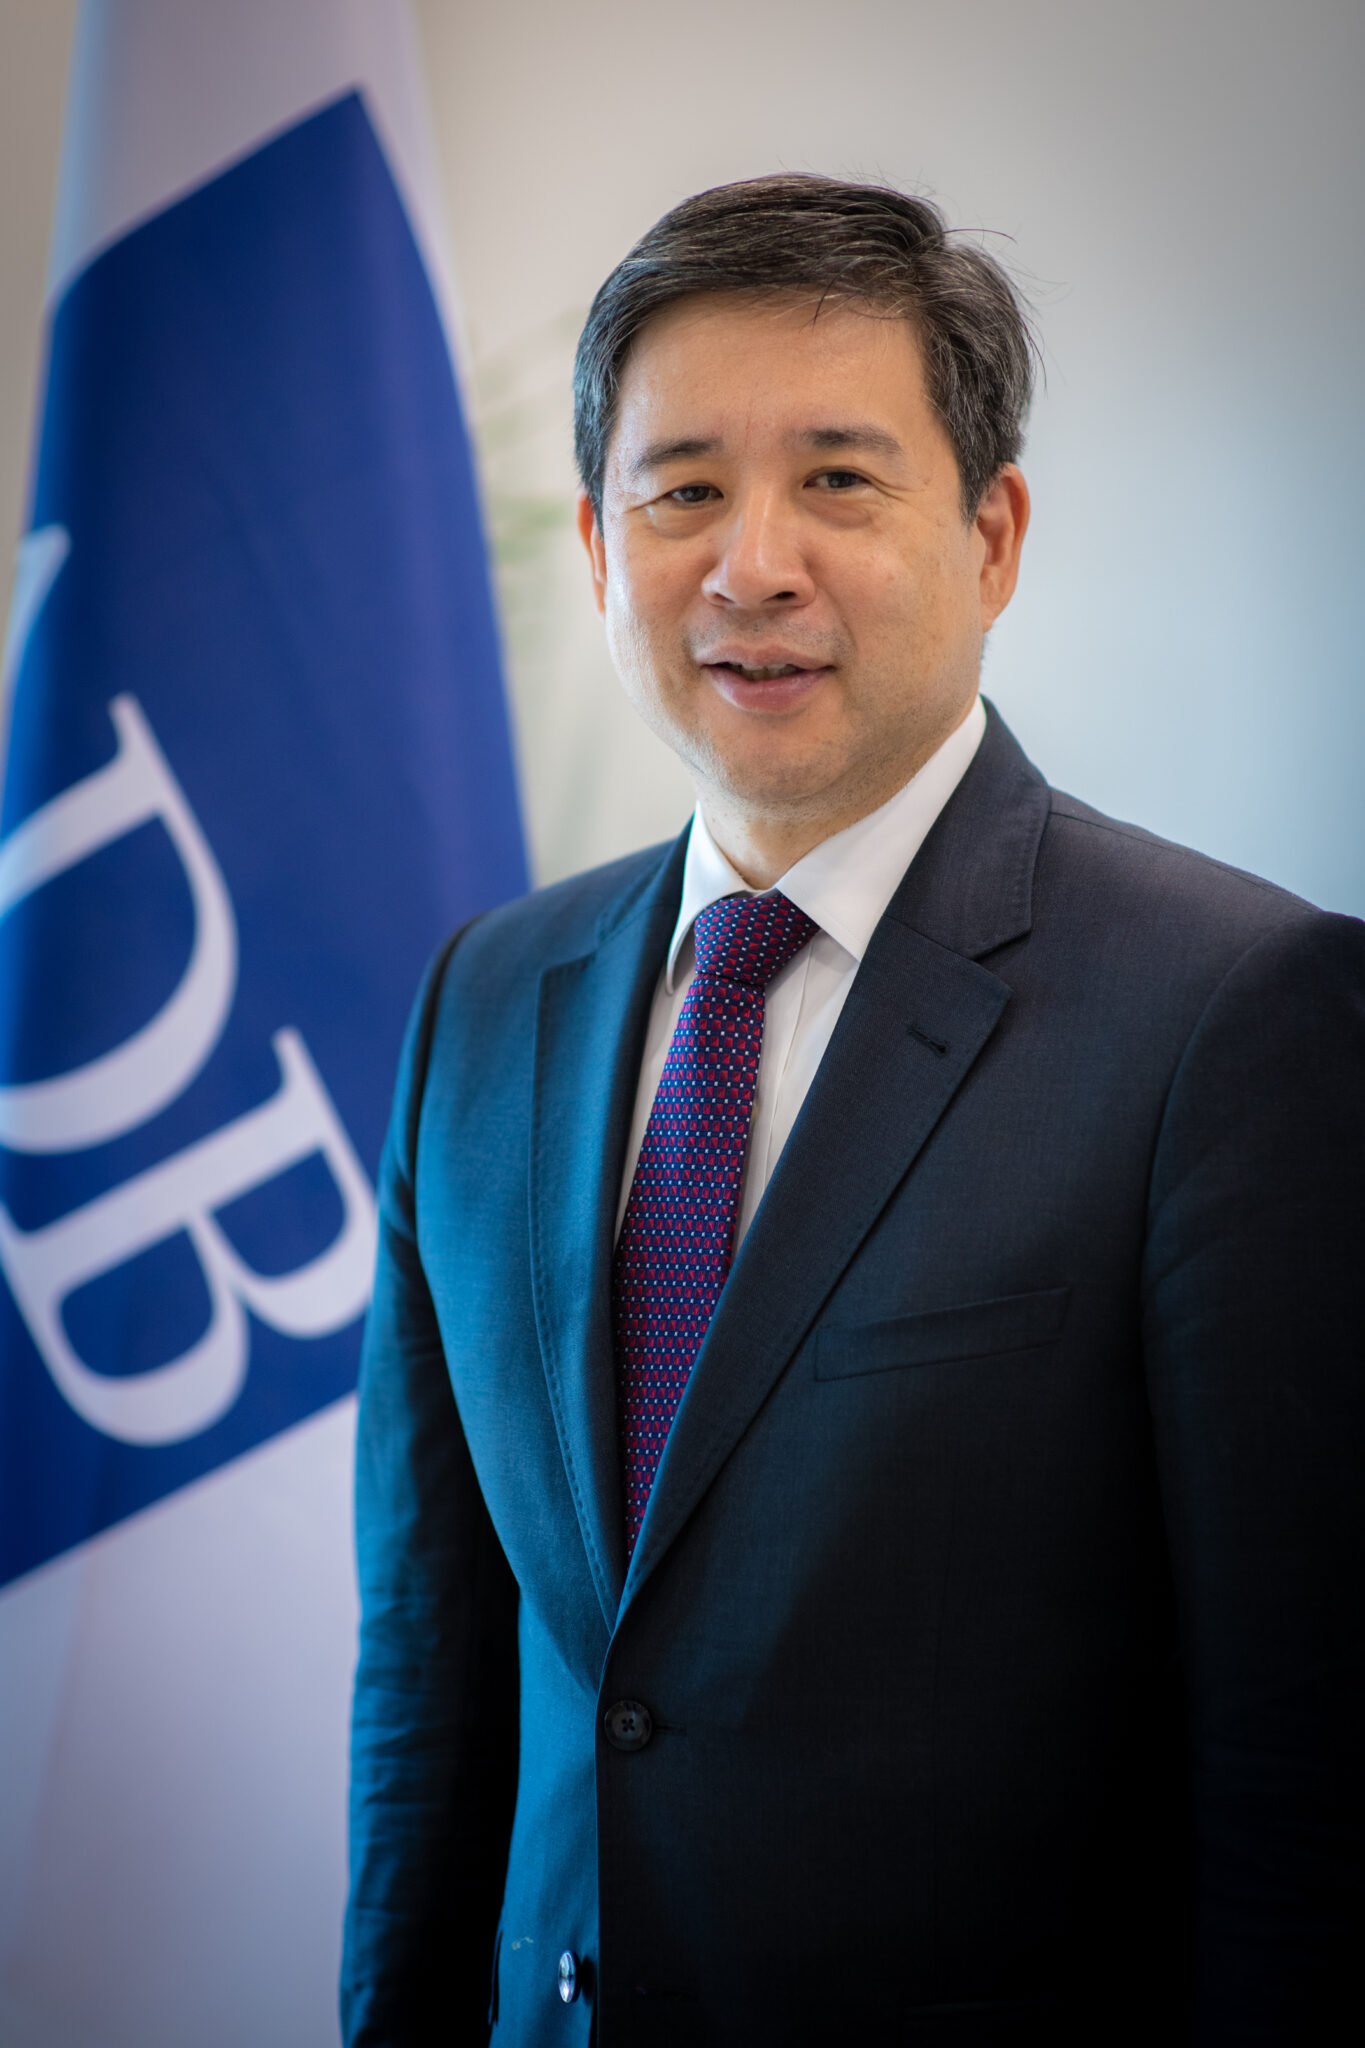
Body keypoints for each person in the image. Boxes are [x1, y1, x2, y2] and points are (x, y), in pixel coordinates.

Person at [340, 176, 1364, 2047]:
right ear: (596, 547)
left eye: (836, 478)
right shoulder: (480, 1002)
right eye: (681, 492)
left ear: (991, 537)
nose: (751, 566)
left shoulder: (1234, 1013)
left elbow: (1303, 1767)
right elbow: (431, 1677)